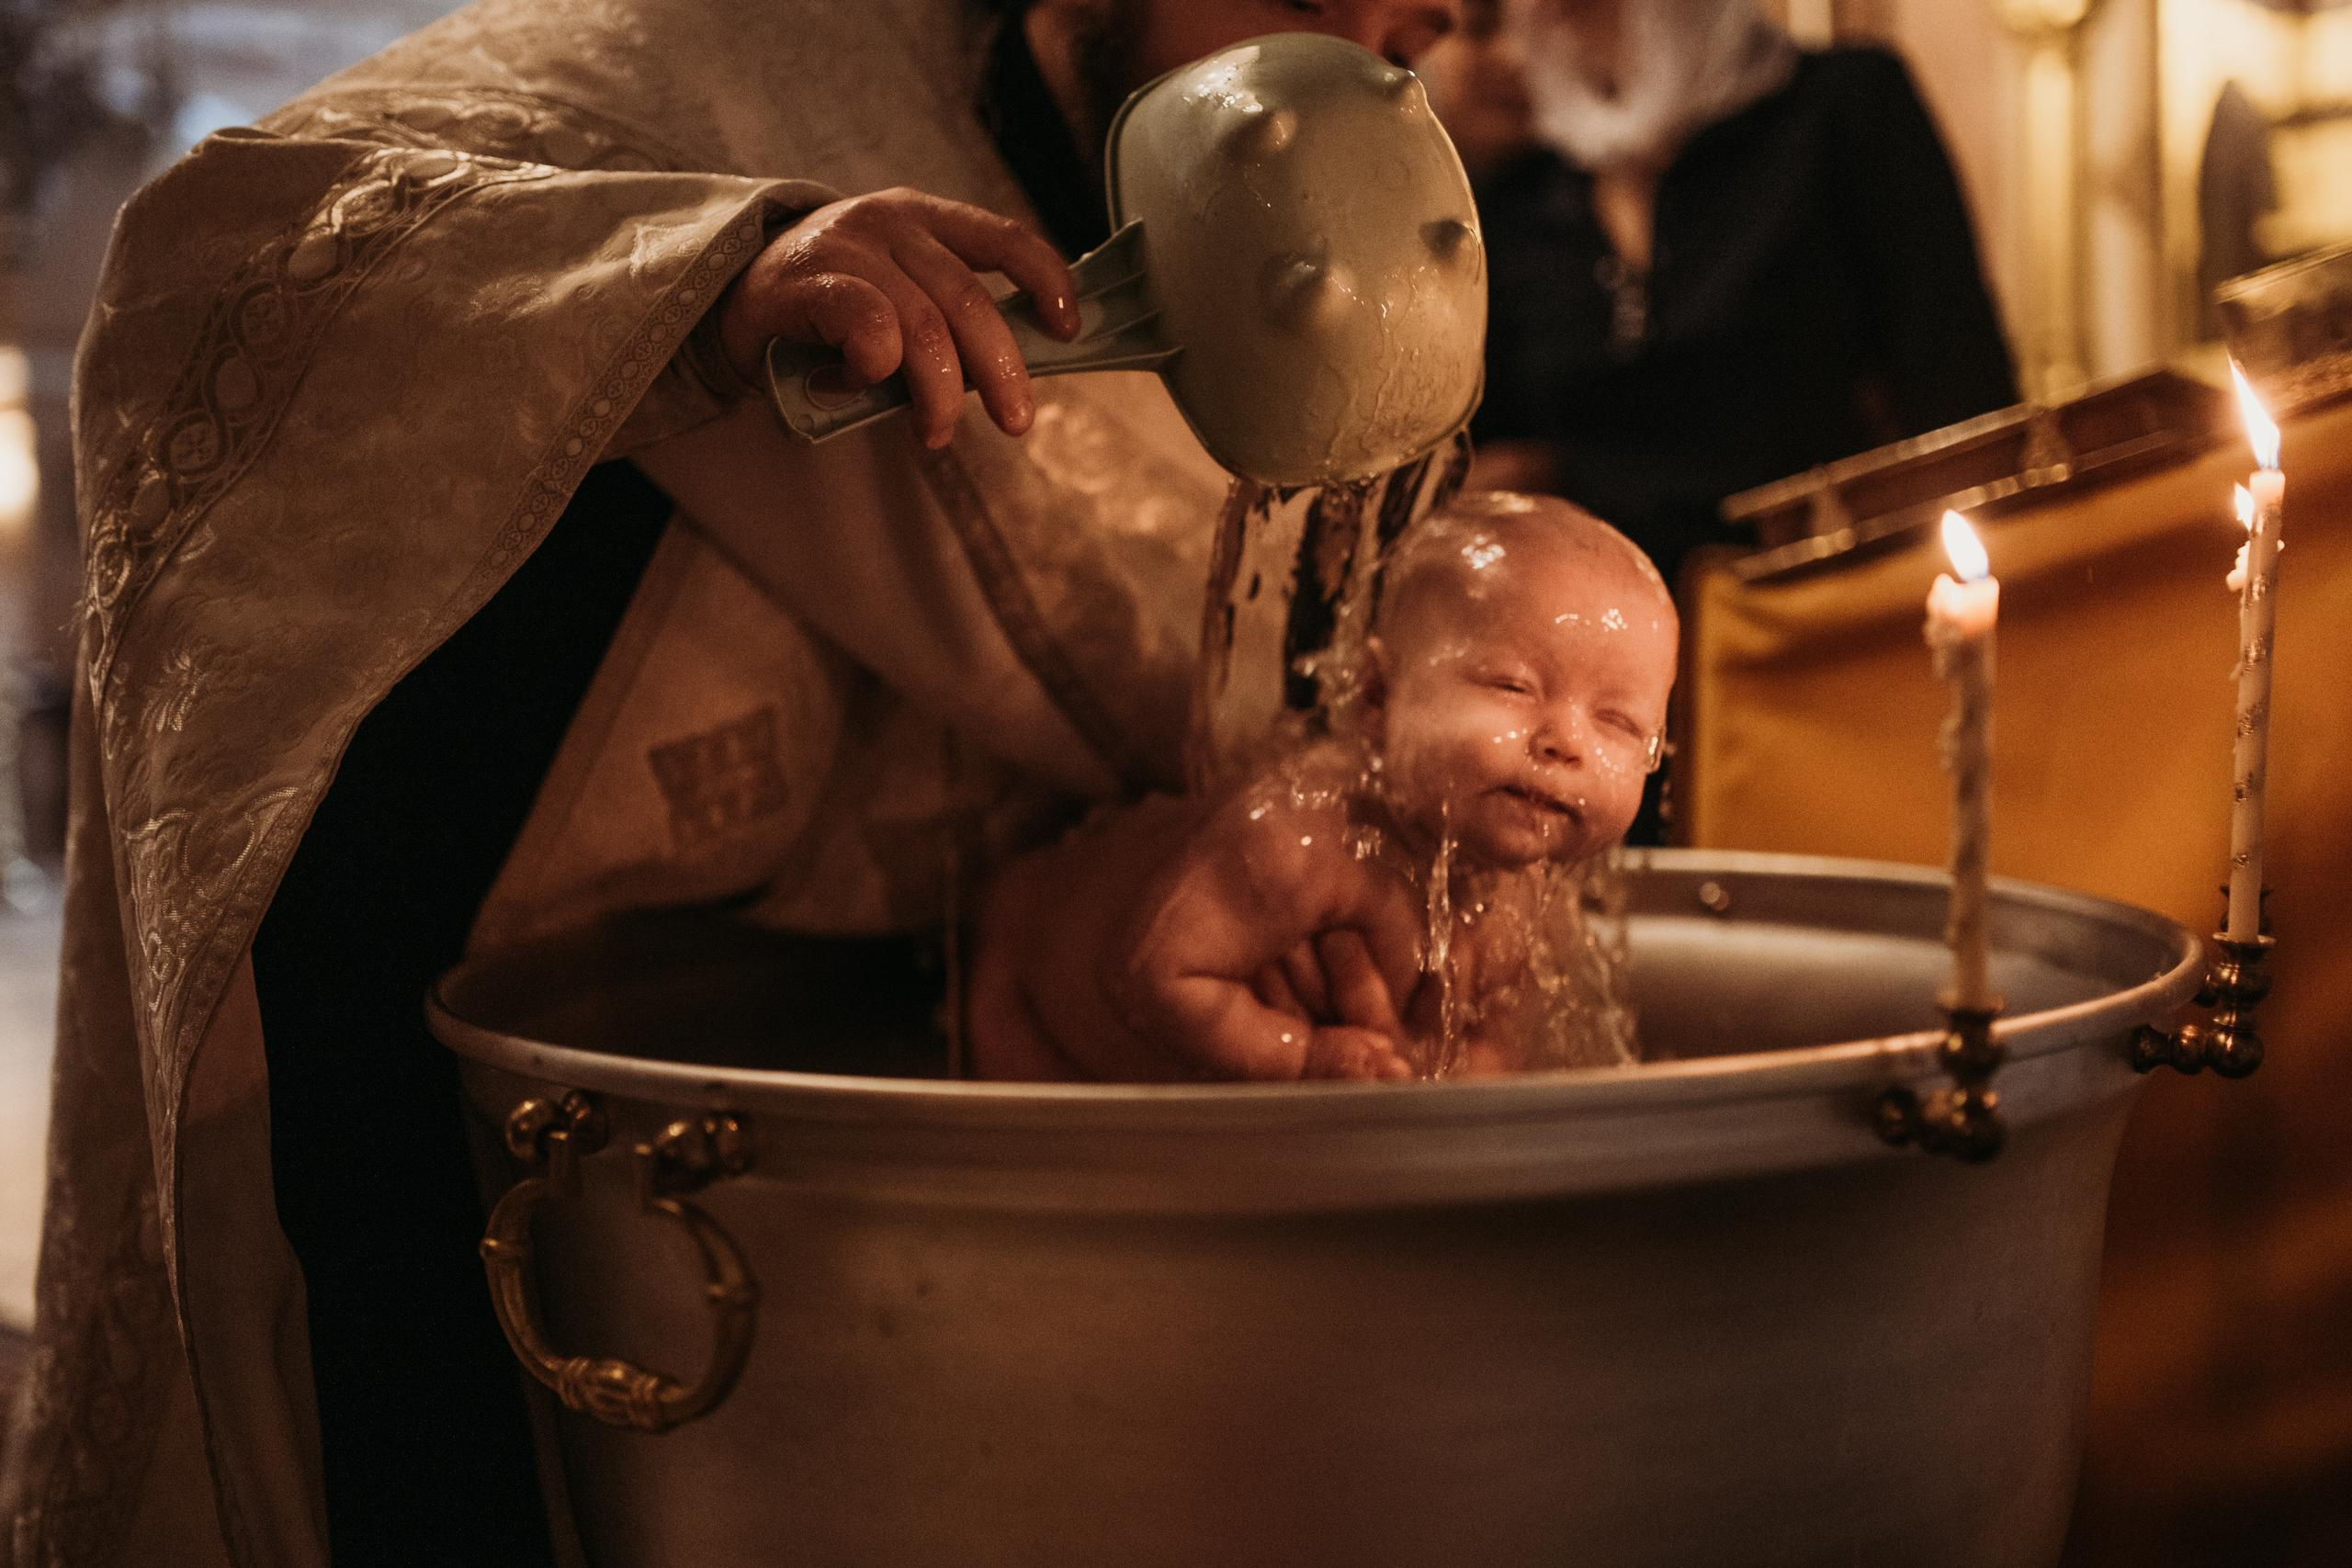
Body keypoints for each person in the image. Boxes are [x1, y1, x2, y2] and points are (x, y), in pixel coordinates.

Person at [0, 2, 1464, 1563]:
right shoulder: (725, 62)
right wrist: (692, 289)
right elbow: (206, 275)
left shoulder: (1325, 251)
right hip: (435, 1129)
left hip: (892, 1202)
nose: (1402, 28)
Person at [971, 492, 1677, 1084]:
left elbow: (1495, 1056)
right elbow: (1155, 974)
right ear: (1376, 696)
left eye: (1617, 722)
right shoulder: (1302, 836)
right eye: (1512, 686)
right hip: (1026, 1006)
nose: (1566, 742)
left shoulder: (1533, 896)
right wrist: (1302, 1053)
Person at [1459, 0, 2019, 591]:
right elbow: (1489, 458)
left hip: (1818, 606)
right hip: (1589, 627)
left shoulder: (1840, 107)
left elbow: (1965, 411)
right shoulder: (1517, 198)